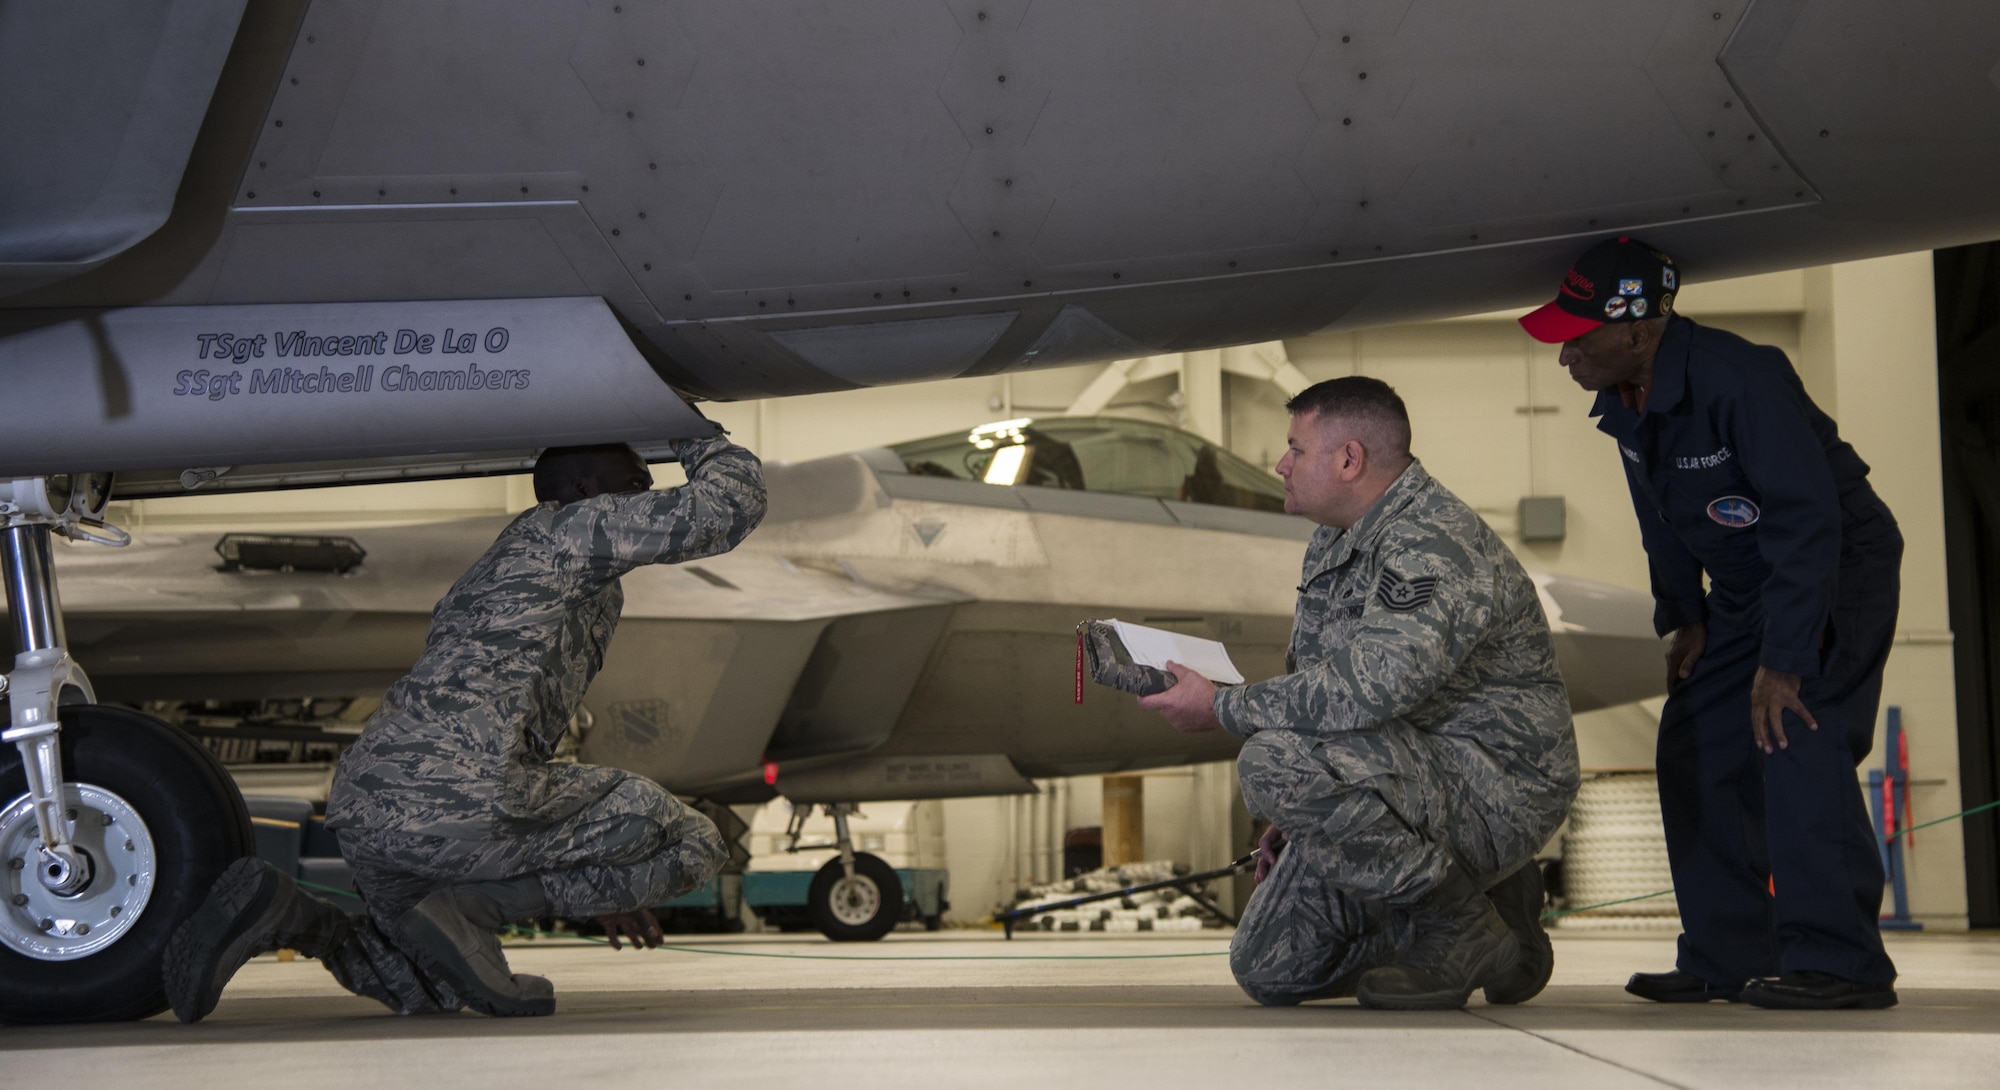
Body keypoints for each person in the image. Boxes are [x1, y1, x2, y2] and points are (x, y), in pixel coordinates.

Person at [162, 431, 767, 1020]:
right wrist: (694, 434)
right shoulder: (571, 530)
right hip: (458, 794)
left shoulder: (533, 569)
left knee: (429, 983)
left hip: (372, 805)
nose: (648, 486)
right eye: (634, 478)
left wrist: (589, 880)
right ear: (583, 487)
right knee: (692, 839)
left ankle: (288, 913)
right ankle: (471, 907)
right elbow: (728, 505)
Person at [1520, 237, 1902, 1010]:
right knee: (1697, 741)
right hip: (1740, 588)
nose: (1563, 354)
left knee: (1797, 736)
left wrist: (1786, 655)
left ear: (1636, 329)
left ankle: (1842, 963)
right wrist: (1684, 617)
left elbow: (1806, 516)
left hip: (1831, 570)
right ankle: (1727, 954)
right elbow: (1661, 520)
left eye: (1576, 332)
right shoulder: (1627, 400)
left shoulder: (1741, 378)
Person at [1139, 377, 1577, 1010]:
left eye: (1294, 448)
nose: (1280, 465)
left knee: (1271, 760)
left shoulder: (1430, 542)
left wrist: (1223, 708)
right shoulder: (1339, 537)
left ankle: (1460, 926)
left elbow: (1367, 690)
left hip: (1497, 787)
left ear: (1348, 459)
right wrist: (1307, 815)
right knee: (1269, 970)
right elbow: (1326, 698)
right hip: (1411, 777)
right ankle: (1497, 913)